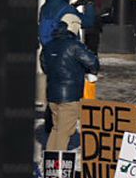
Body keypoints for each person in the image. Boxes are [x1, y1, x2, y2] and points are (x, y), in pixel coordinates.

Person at [41, 13, 99, 151]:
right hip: (70, 96)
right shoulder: (74, 46)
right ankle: (57, 164)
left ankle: (50, 162)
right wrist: (88, 72)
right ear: (73, 26)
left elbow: (44, 66)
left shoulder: (49, 45)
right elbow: (93, 62)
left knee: (57, 128)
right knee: (65, 131)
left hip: (52, 94)